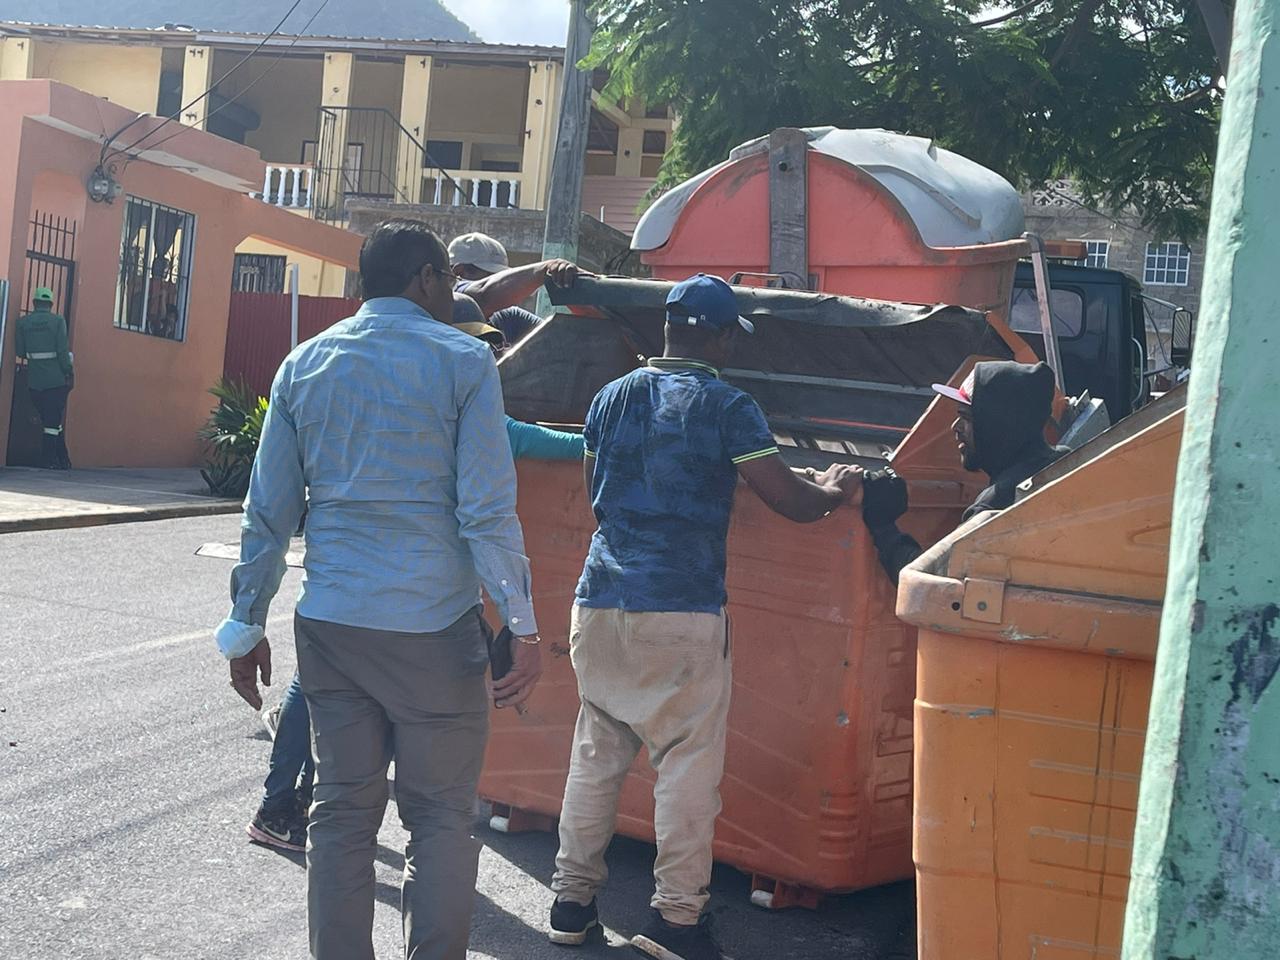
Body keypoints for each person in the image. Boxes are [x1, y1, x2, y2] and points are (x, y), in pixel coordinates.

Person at [213, 219, 543, 960]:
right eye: (449, 279)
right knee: (440, 820)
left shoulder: (303, 364)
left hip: (332, 628)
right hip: (434, 630)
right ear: (426, 278)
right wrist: (522, 626)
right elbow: (486, 511)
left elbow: (268, 512)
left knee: (340, 814)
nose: (452, 292)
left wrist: (245, 624)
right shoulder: (464, 361)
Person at [547, 274, 862, 960]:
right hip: (682, 609)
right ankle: (678, 921)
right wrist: (834, 489)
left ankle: (571, 904)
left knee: (596, 756)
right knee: (686, 767)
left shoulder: (609, 396)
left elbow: (596, 490)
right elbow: (789, 500)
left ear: (667, 327)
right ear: (720, 337)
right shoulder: (727, 405)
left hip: (599, 601)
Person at [860, 359, 1068, 585]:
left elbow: (931, 585)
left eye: (967, 417)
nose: (955, 427)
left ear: (1000, 424)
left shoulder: (997, 505)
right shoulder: (1065, 463)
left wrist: (883, 525)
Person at [452, 292, 586, 460]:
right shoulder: (467, 414)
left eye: (487, 345)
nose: (483, 353)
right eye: (467, 344)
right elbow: (523, 438)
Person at [447, 232, 575, 346]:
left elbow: (562, 341)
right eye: (491, 279)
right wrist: (547, 269)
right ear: (458, 273)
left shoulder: (509, 317)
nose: (502, 286)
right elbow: (483, 294)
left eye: (501, 277)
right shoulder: (448, 305)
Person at [14, 286, 73, 469]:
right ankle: (48, 460)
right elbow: (62, 351)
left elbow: (20, 351)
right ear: (51, 304)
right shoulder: (58, 321)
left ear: (34, 303)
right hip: (55, 381)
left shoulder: (23, 323)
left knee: (51, 419)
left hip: (34, 382)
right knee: (52, 422)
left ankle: (63, 459)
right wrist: (68, 370)